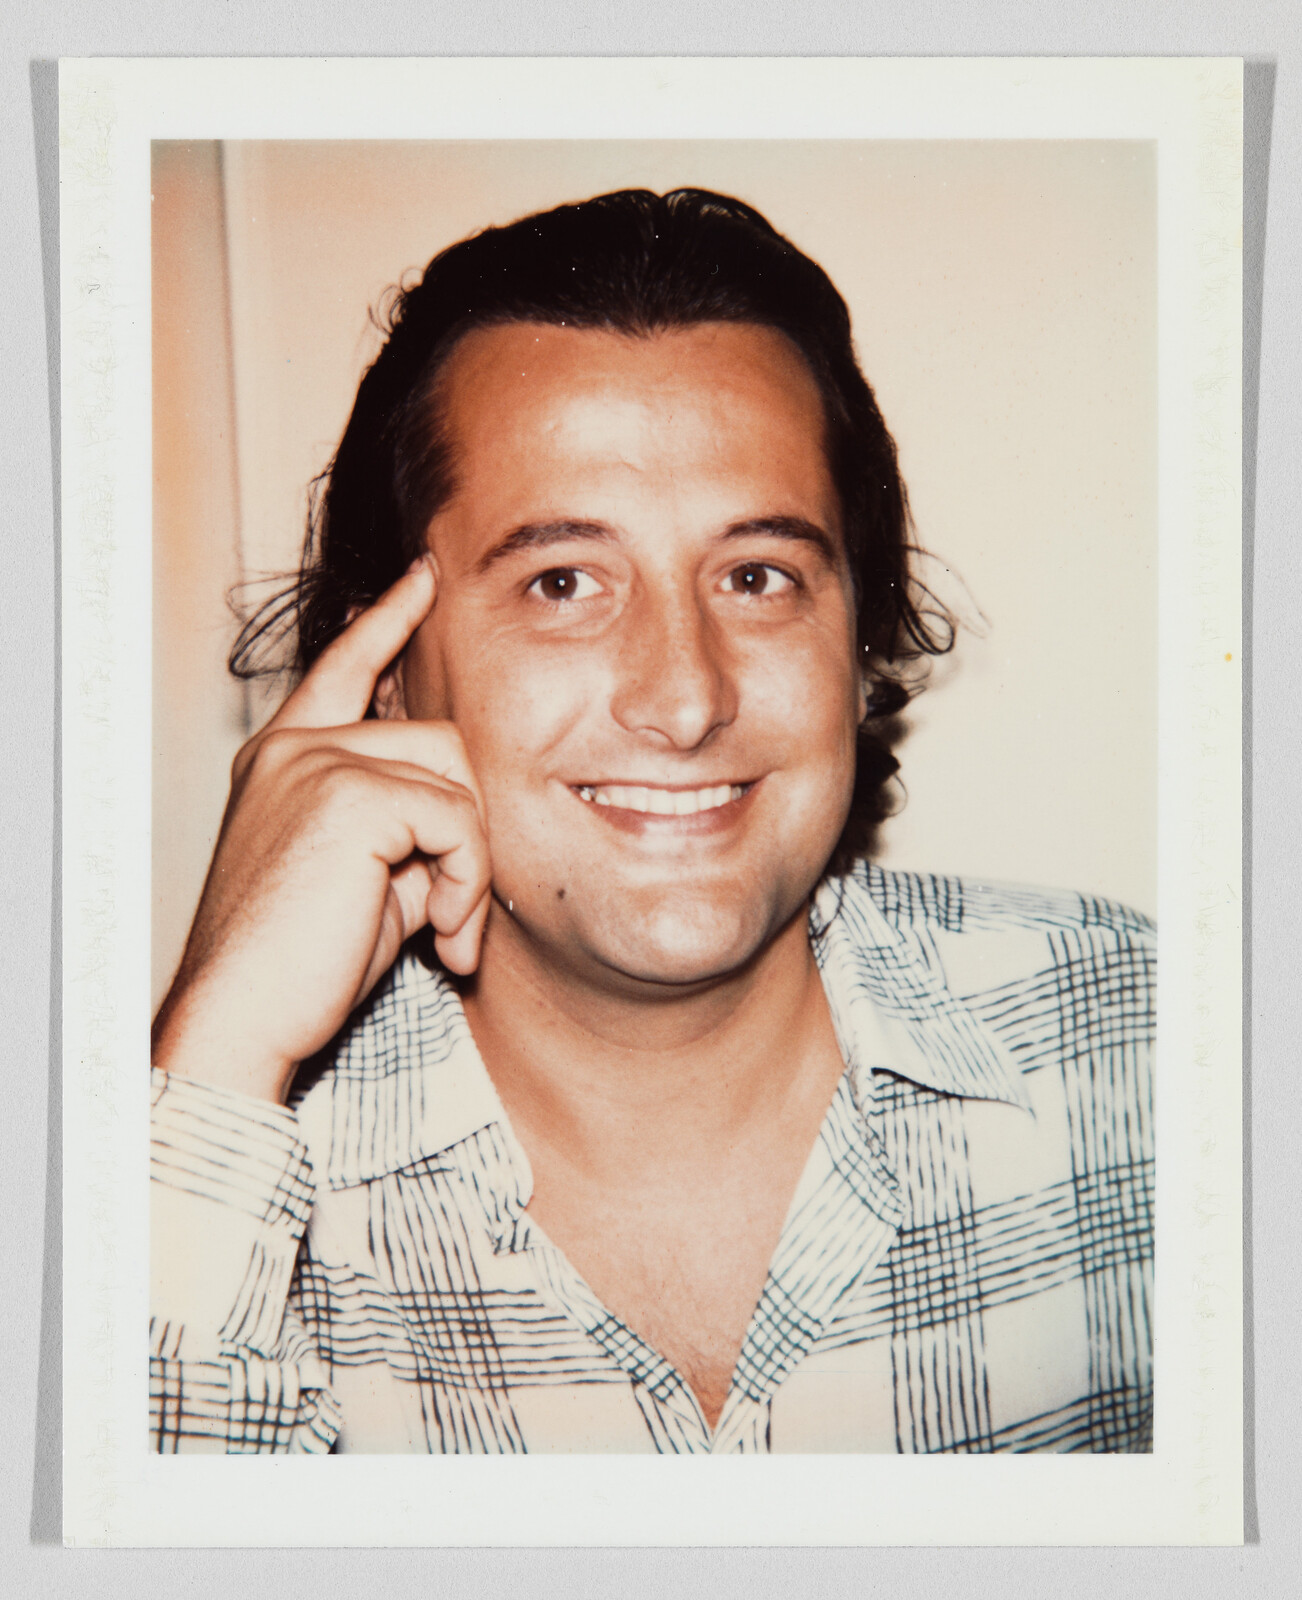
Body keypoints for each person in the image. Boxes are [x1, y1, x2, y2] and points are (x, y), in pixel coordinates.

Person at [149, 188, 1154, 1455]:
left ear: (856, 650)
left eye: (756, 576)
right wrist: (213, 1061)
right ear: (387, 673)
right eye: (562, 582)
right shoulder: (219, 1170)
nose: (685, 698)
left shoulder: (1151, 1039)